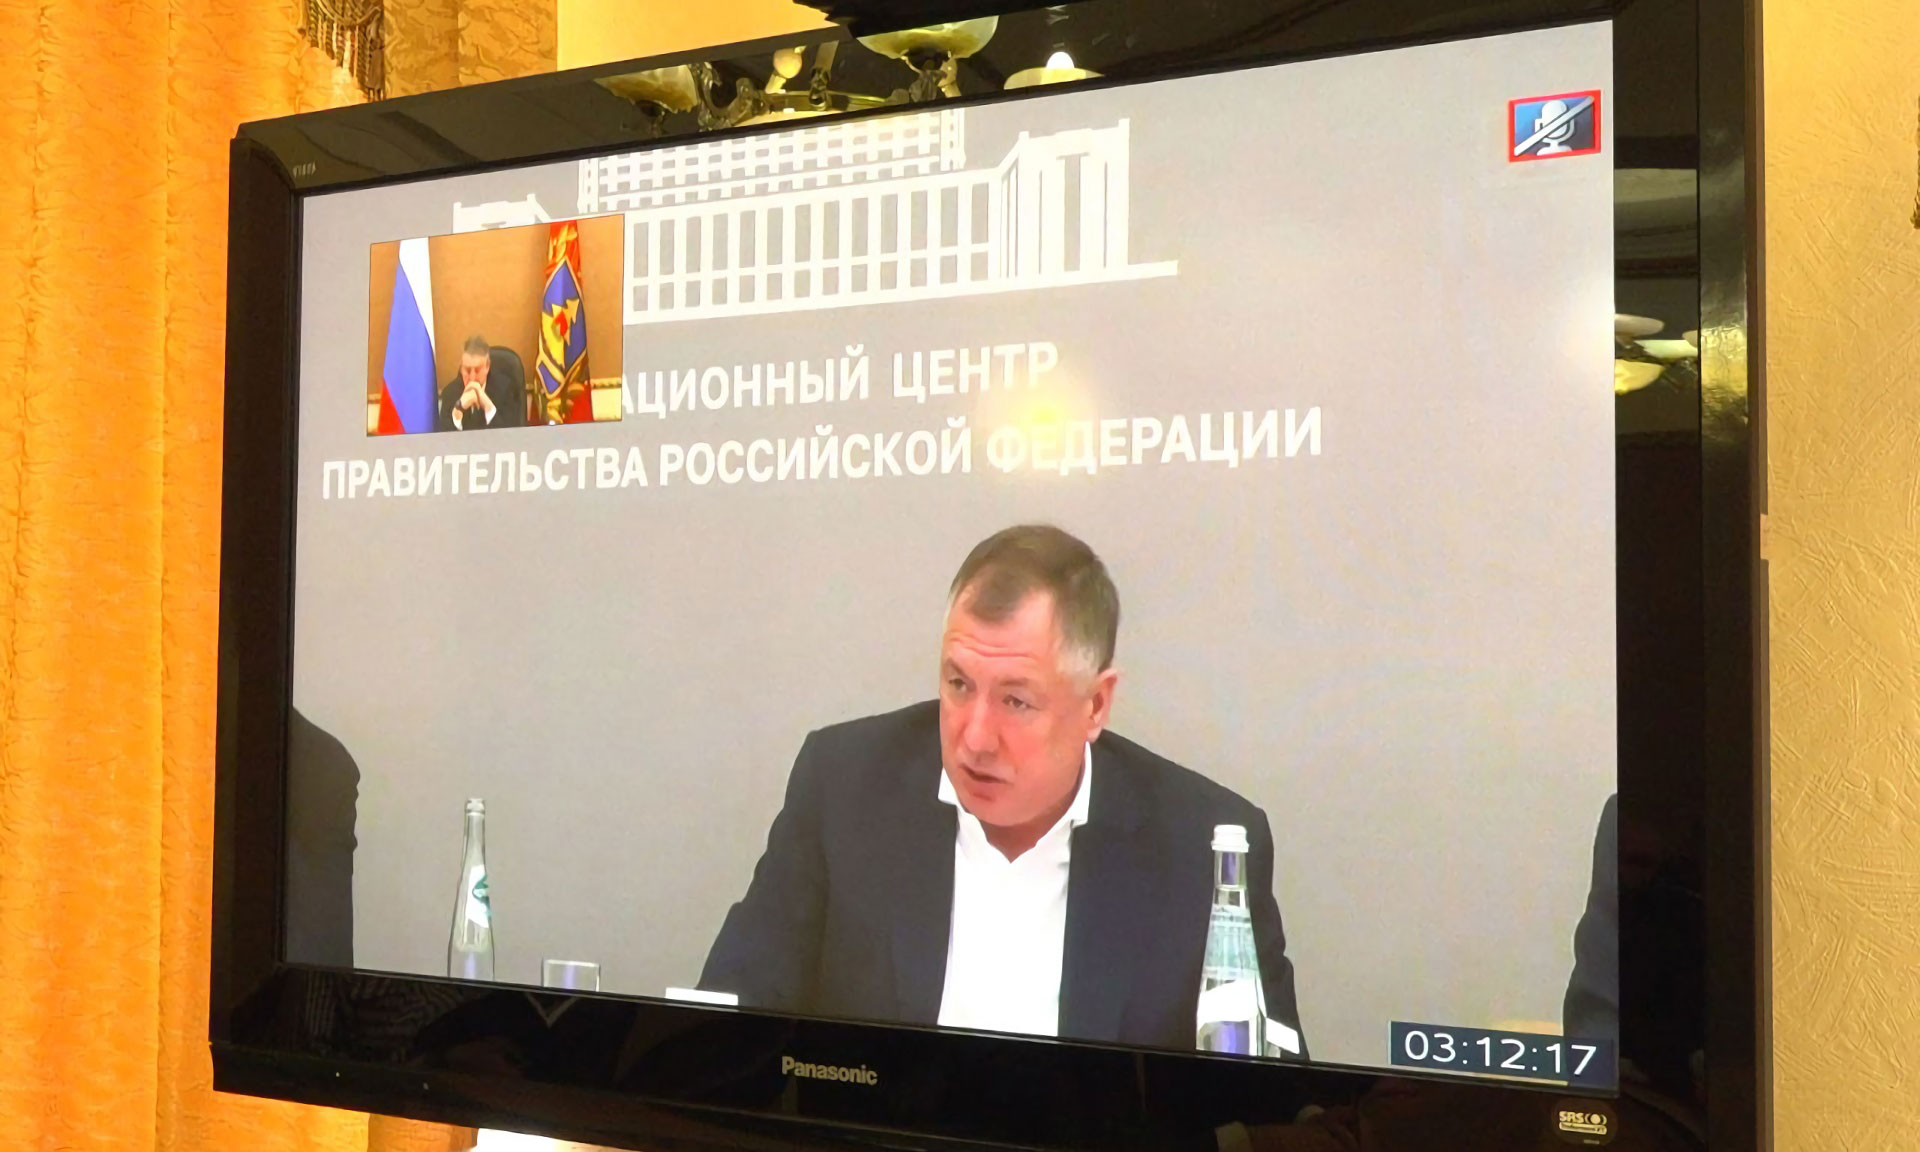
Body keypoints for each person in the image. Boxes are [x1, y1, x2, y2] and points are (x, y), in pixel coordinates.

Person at [699, 524, 1307, 1056]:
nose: (975, 738)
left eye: (1016, 700)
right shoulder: (844, 786)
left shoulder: (1204, 848)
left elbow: (1274, 1106)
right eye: (959, 684)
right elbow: (728, 1022)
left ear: (1096, 704)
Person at [436, 336, 525, 431]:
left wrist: (488, 407)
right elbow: (445, 438)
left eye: (477, 370)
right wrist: (458, 410)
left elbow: (512, 435)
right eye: (467, 370)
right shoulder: (449, 393)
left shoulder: (505, 389)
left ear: (487, 367)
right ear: (461, 368)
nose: (472, 378)